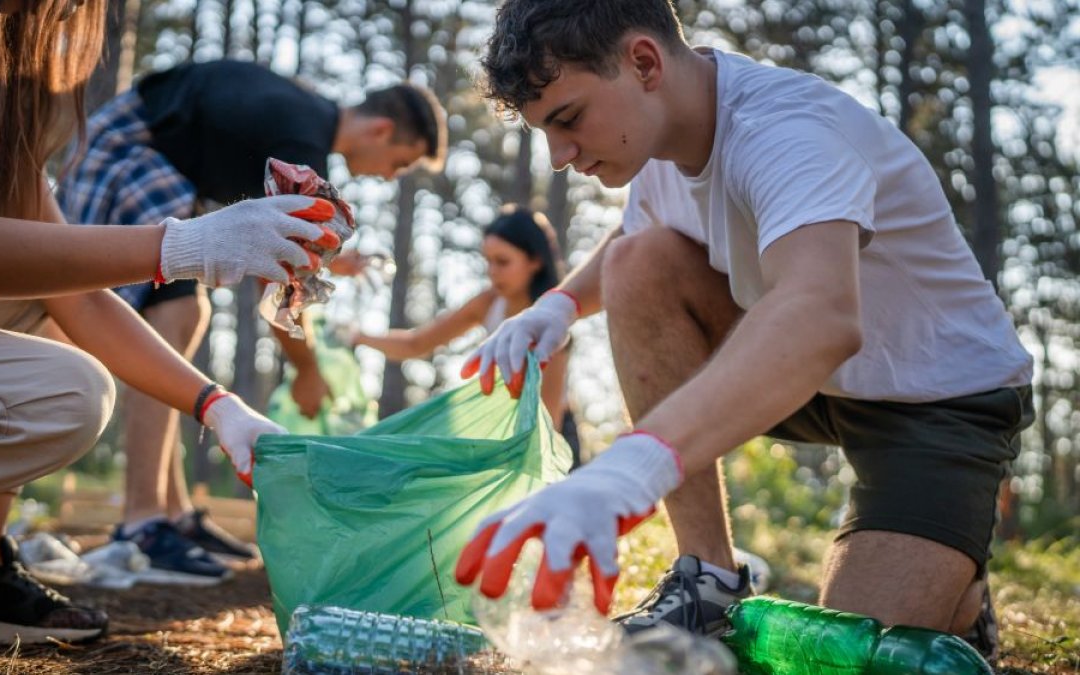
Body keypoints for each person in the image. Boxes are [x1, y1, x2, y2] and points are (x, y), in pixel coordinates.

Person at [453, 0, 1032, 662]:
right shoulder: (659, 141)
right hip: (820, 379)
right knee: (637, 263)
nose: (558, 156)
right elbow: (633, 239)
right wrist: (555, 306)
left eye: (568, 119)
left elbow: (821, 314)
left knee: (850, 652)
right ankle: (709, 581)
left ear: (643, 62)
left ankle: (961, 586)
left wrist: (630, 467)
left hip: (939, 399)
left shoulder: (786, 131)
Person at [0, 0, 336, 645]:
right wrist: (185, 246)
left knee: (49, 294)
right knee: (67, 393)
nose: (62, 24)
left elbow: (81, 299)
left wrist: (219, 407)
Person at [56, 59, 448, 582]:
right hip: (130, 149)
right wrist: (307, 371)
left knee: (183, 316)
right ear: (381, 130)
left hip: (158, 158)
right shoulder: (302, 140)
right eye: (399, 162)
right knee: (173, 316)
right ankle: (142, 522)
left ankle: (171, 513)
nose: (389, 175)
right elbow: (278, 292)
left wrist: (328, 260)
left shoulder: (302, 117)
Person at [352, 207, 581, 465]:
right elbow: (417, 343)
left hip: (550, 438)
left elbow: (549, 417)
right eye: (488, 261)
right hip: (499, 432)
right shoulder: (488, 303)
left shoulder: (550, 322)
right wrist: (358, 336)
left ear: (535, 261)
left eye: (503, 261)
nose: (492, 271)